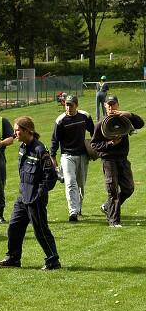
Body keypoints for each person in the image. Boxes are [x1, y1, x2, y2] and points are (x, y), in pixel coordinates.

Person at [0, 116, 60, 270]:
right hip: (23, 196)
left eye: (17, 130)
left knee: (40, 230)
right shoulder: (22, 147)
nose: (14, 133)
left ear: (27, 130)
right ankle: (13, 259)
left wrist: (39, 194)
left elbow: (51, 176)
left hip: (35, 199)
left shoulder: (40, 150)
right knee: (14, 227)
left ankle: (53, 260)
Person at [90, 95, 144, 228]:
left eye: (113, 104)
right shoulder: (101, 123)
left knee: (128, 189)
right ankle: (114, 221)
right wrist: (110, 143)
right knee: (112, 190)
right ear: (104, 106)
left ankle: (107, 206)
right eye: (108, 104)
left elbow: (141, 124)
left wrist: (129, 114)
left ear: (118, 105)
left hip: (123, 159)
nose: (110, 107)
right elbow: (94, 145)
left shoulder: (124, 120)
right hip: (108, 160)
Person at [50, 94, 95, 222]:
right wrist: (53, 158)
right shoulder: (60, 120)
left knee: (81, 184)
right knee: (70, 183)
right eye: (66, 105)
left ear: (77, 105)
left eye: (71, 105)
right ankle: (73, 212)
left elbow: (93, 131)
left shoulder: (84, 116)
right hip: (67, 156)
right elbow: (54, 141)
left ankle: (79, 208)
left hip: (83, 155)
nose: (68, 107)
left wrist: (94, 146)